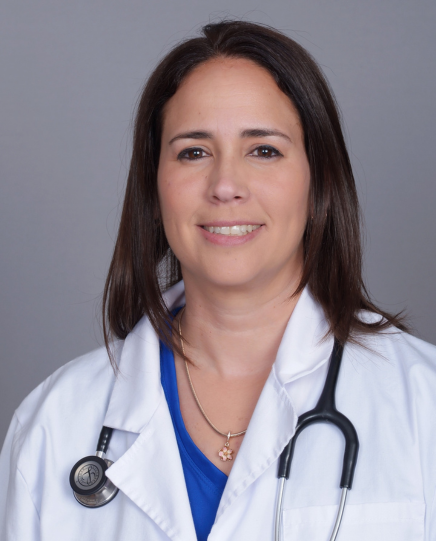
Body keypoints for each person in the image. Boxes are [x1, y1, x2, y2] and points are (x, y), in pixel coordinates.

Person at [0, 20, 435, 541]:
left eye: (264, 150)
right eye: (194, 152)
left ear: (318, 181)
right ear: (154, 187)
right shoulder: (54, 423)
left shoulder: (422, 406)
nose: (226, 185)